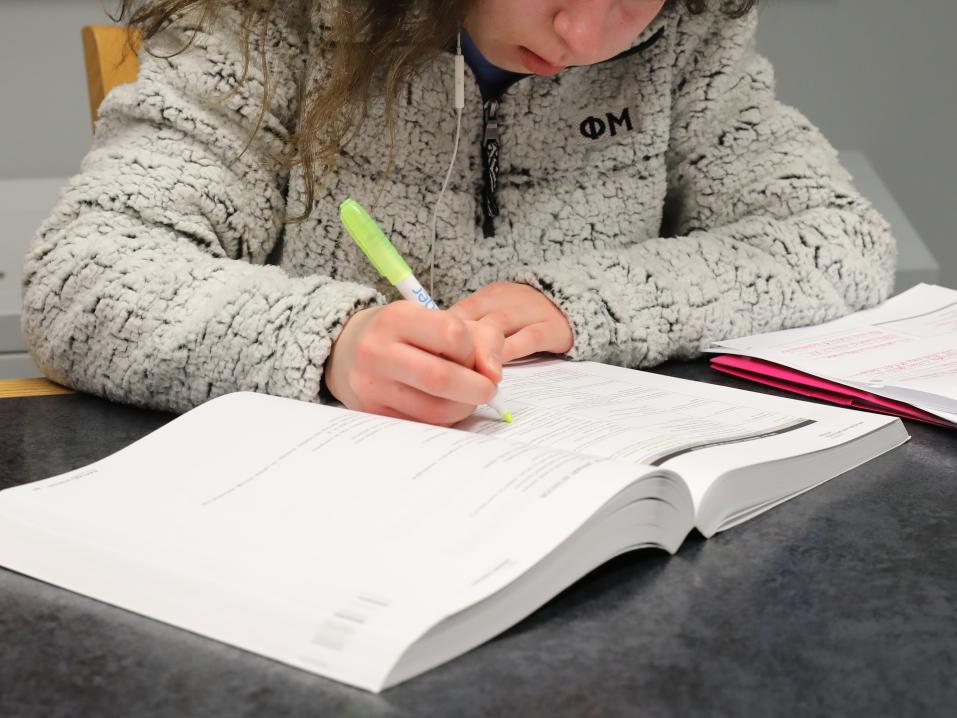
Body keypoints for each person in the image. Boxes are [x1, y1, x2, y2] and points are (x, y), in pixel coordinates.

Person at [21, 0, 895, 425]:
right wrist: (332, 342)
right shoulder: (269, 23)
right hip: (317, 537)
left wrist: (577, 302)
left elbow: (834, 238)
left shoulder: (683, 34)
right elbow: (84, 275)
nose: (585, 38)